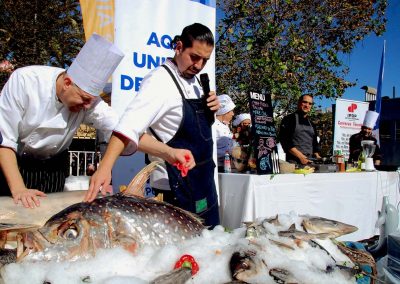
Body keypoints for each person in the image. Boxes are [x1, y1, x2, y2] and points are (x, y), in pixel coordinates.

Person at [86, 23, 221, 227]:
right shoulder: (160, 81)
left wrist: (212, 107)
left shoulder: (195, 82)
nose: (199, 65)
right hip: (175, 189)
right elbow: (128, 128)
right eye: (194, 57)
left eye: (205, 60)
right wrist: (105, 168)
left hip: (203, 182)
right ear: (179, 47)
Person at [0, 34, 126, 208]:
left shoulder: (89, 102)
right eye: (84, 99)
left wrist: (168, 152)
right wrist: (19, 189)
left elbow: (124, 129)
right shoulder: (24, 80)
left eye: (91, 100)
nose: (88, 106)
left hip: (53, 169)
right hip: (16, 165)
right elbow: (4, 141)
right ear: (67, 82)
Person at [279, 94, 321, 165]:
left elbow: (314, 143)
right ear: (299, 103)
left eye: (310, 103)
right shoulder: (289, 119)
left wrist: (318, 157)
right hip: (294, 161)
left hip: (310, 161)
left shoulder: (311, 123)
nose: (307, 105)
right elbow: (285, 142)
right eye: (304, 102)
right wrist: (301, 157)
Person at [215, 94, 235, 170]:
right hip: (218, 167)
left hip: (227, 165)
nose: (233, 114)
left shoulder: (225, 126)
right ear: (225, 112)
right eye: (231, 111)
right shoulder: (213, 126)